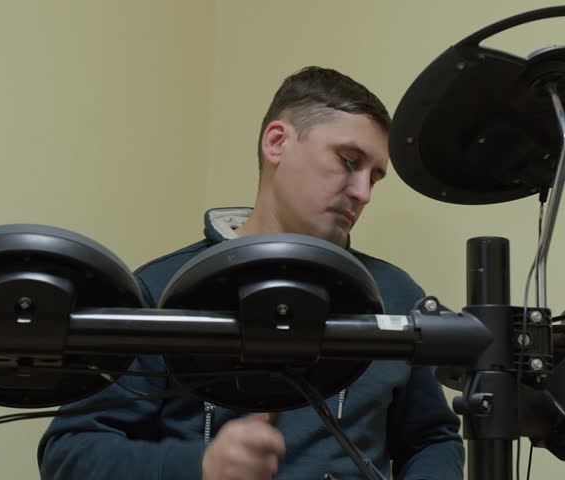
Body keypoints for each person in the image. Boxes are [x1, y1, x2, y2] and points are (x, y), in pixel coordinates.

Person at [38, 66, 463, 480]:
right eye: (349, 162)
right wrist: (200, 467)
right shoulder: (159, 289)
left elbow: (432, 440)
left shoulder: (394, 293)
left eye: (375, 177)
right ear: (277, 142)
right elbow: (70, 452)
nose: (363, 192)